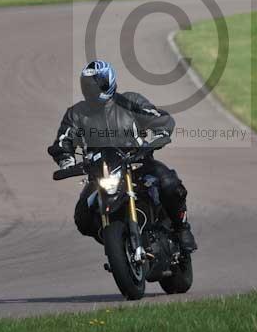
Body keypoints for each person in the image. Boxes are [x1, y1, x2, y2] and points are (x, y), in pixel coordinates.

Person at [48, 59, 197, 253]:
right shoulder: (77, 113)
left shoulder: (129, 101)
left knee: (169, 183)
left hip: (138, 162)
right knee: (82, 218)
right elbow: (63, 140)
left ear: (109, 82)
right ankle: (119, 243)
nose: (92, 89)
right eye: (88, 85)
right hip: (101, 172)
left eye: (96, 84)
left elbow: (158, 117)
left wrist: (161, 133)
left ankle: (182, 228)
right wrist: (66, 160)